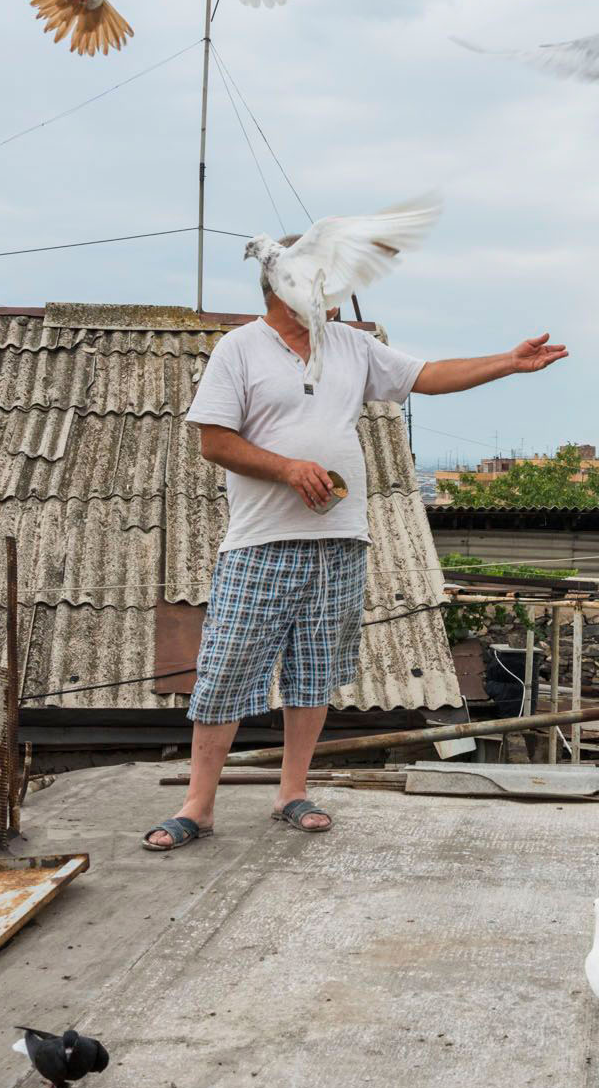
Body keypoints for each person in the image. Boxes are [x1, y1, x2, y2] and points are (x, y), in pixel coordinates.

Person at [143, 276, 566, 850]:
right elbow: (215, 442)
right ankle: (198, 806)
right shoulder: (238, 349)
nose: (335, 293)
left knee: (314, 673)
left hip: (341, 537)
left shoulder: (351, 344)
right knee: (225, 671)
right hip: (261, 541)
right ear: (283, 289)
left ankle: (293, 792)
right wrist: (288, 469)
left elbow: (427, 376)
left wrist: (507, 363)